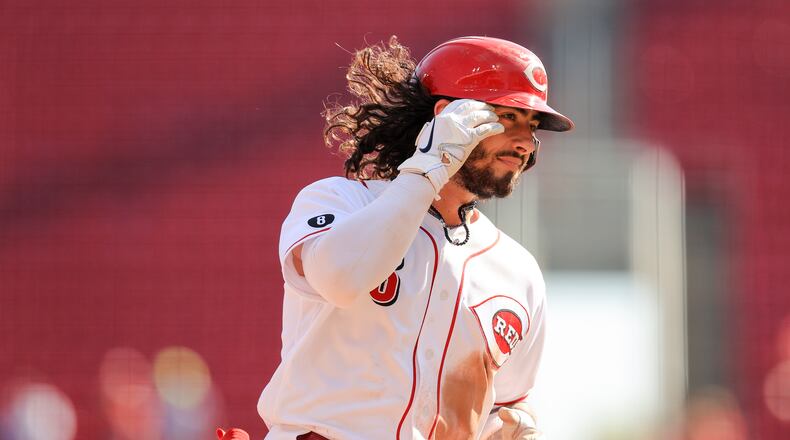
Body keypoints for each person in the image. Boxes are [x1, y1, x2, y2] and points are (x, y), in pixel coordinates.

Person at [221, 35, 574, 440]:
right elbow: (339, 278)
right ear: (447, 115)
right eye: (507, 117)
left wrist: (512, 427)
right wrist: (429, 166)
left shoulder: (518, 270)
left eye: (532, 126)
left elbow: (509, 404)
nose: (525, 142)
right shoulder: (341, 200)